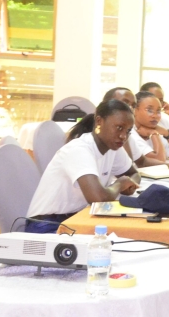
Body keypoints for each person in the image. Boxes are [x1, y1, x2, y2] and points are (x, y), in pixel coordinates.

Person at [24, 99, 142, 233]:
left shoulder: (113, 147)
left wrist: (130, 184)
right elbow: (98, 198)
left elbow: (134, 173)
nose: (123, 136)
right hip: (47, 225)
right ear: (99, 121)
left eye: (128, 131)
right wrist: (120, 185)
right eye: (119, 127)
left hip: (79, 218)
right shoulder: (79, 149)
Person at [130, 90, 169, 161]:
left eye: (158, 111)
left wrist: (167, 133)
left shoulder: (156, 126)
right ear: (134, 110)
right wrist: (153, 134)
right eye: (149, 110)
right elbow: (159, 160)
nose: (155, 116)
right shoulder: (130, 132)